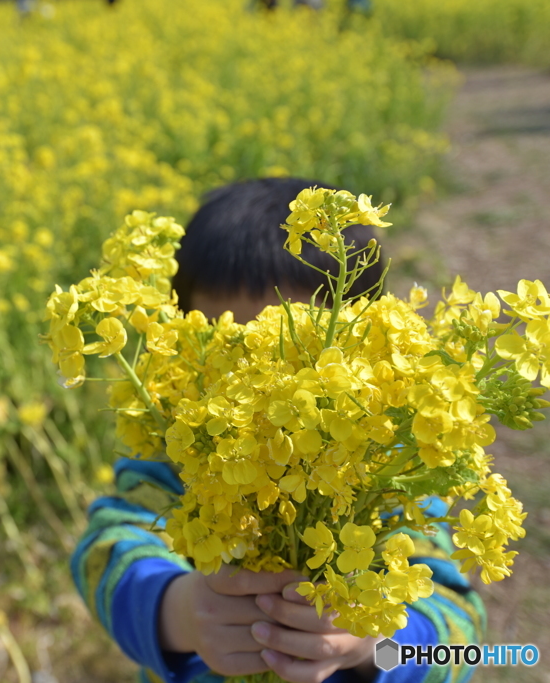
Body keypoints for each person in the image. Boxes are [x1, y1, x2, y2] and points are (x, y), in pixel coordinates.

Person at [71, 177, 485, 683]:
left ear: (367, 341)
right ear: (177, 340)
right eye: (232, 351)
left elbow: (460, 635)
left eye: (298, 355)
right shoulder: (175, 448)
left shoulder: (395, 471)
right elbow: (102, 553)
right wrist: (179, 613)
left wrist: (370, 644)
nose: (268, 383)